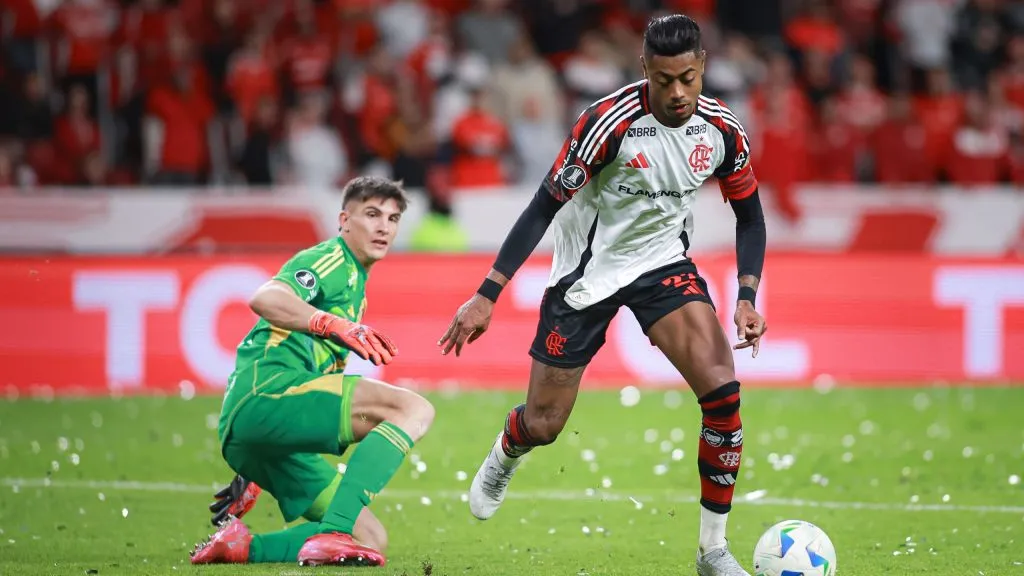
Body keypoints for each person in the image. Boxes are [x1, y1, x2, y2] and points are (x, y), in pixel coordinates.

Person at [438, 14, 767, 576]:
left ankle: (713, 551)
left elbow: (751, 217)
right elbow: (543, 205)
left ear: (703, 67)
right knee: (544, 424)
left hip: (662, 265)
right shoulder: (608, 123)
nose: (678, 92)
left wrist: (745, 294)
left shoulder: (722, 130)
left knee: (724, 397)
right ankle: (507, 451)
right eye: (664, 80)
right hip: (585, 276)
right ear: (644, 69)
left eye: (687, 78)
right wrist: (487, 294)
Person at [190, 176, 435, 568]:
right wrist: (334, 325)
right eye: (371, 214)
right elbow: (265, 297)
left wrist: (257, 459)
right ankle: (333, 532)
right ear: (344, 220)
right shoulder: (333, 260)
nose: (383, 226)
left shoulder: (357, 288)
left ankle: (241, 547)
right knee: (413, 410)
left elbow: (320, 391)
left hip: (258, 430)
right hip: (268, 392)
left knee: (371, 538)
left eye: (392, 218)